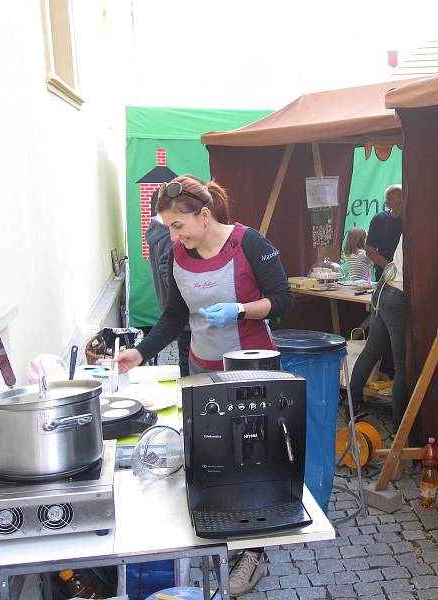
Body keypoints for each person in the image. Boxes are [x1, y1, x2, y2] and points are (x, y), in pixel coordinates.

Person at [115, 175, 292, 596]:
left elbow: (283, 299)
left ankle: (254, 554)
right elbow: (174, 317)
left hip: (253, 371)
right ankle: (222, 540)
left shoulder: (250, 243)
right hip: (201, 368)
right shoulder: (177, 255)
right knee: (211, 458)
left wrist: (242, 309)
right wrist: (141, 352)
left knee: (253, 462)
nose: (174, 235)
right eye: (169, 228)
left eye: (179, 225)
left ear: (205, 214)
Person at [349, 231, 407, 427]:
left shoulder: (409, 226)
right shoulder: (421, 225)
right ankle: (399, 426)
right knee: (402, 366)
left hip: (384, 288)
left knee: (371, 351)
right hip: (397, 293)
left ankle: (351, 406)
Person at [145, 207, 191, 375]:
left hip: (179, 316)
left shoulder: (158, 229)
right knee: (189, 373)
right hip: (185, 319)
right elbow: (167, 270)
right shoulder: (168, 233)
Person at [366, 184, 403, 281]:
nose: (403, 206)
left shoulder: (413, 221)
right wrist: (388, 267)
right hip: (385, 276)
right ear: (388, 204)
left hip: (408, 277)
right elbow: (369, 249)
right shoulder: (379, 220)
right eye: (398, 203)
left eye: (404, 202)